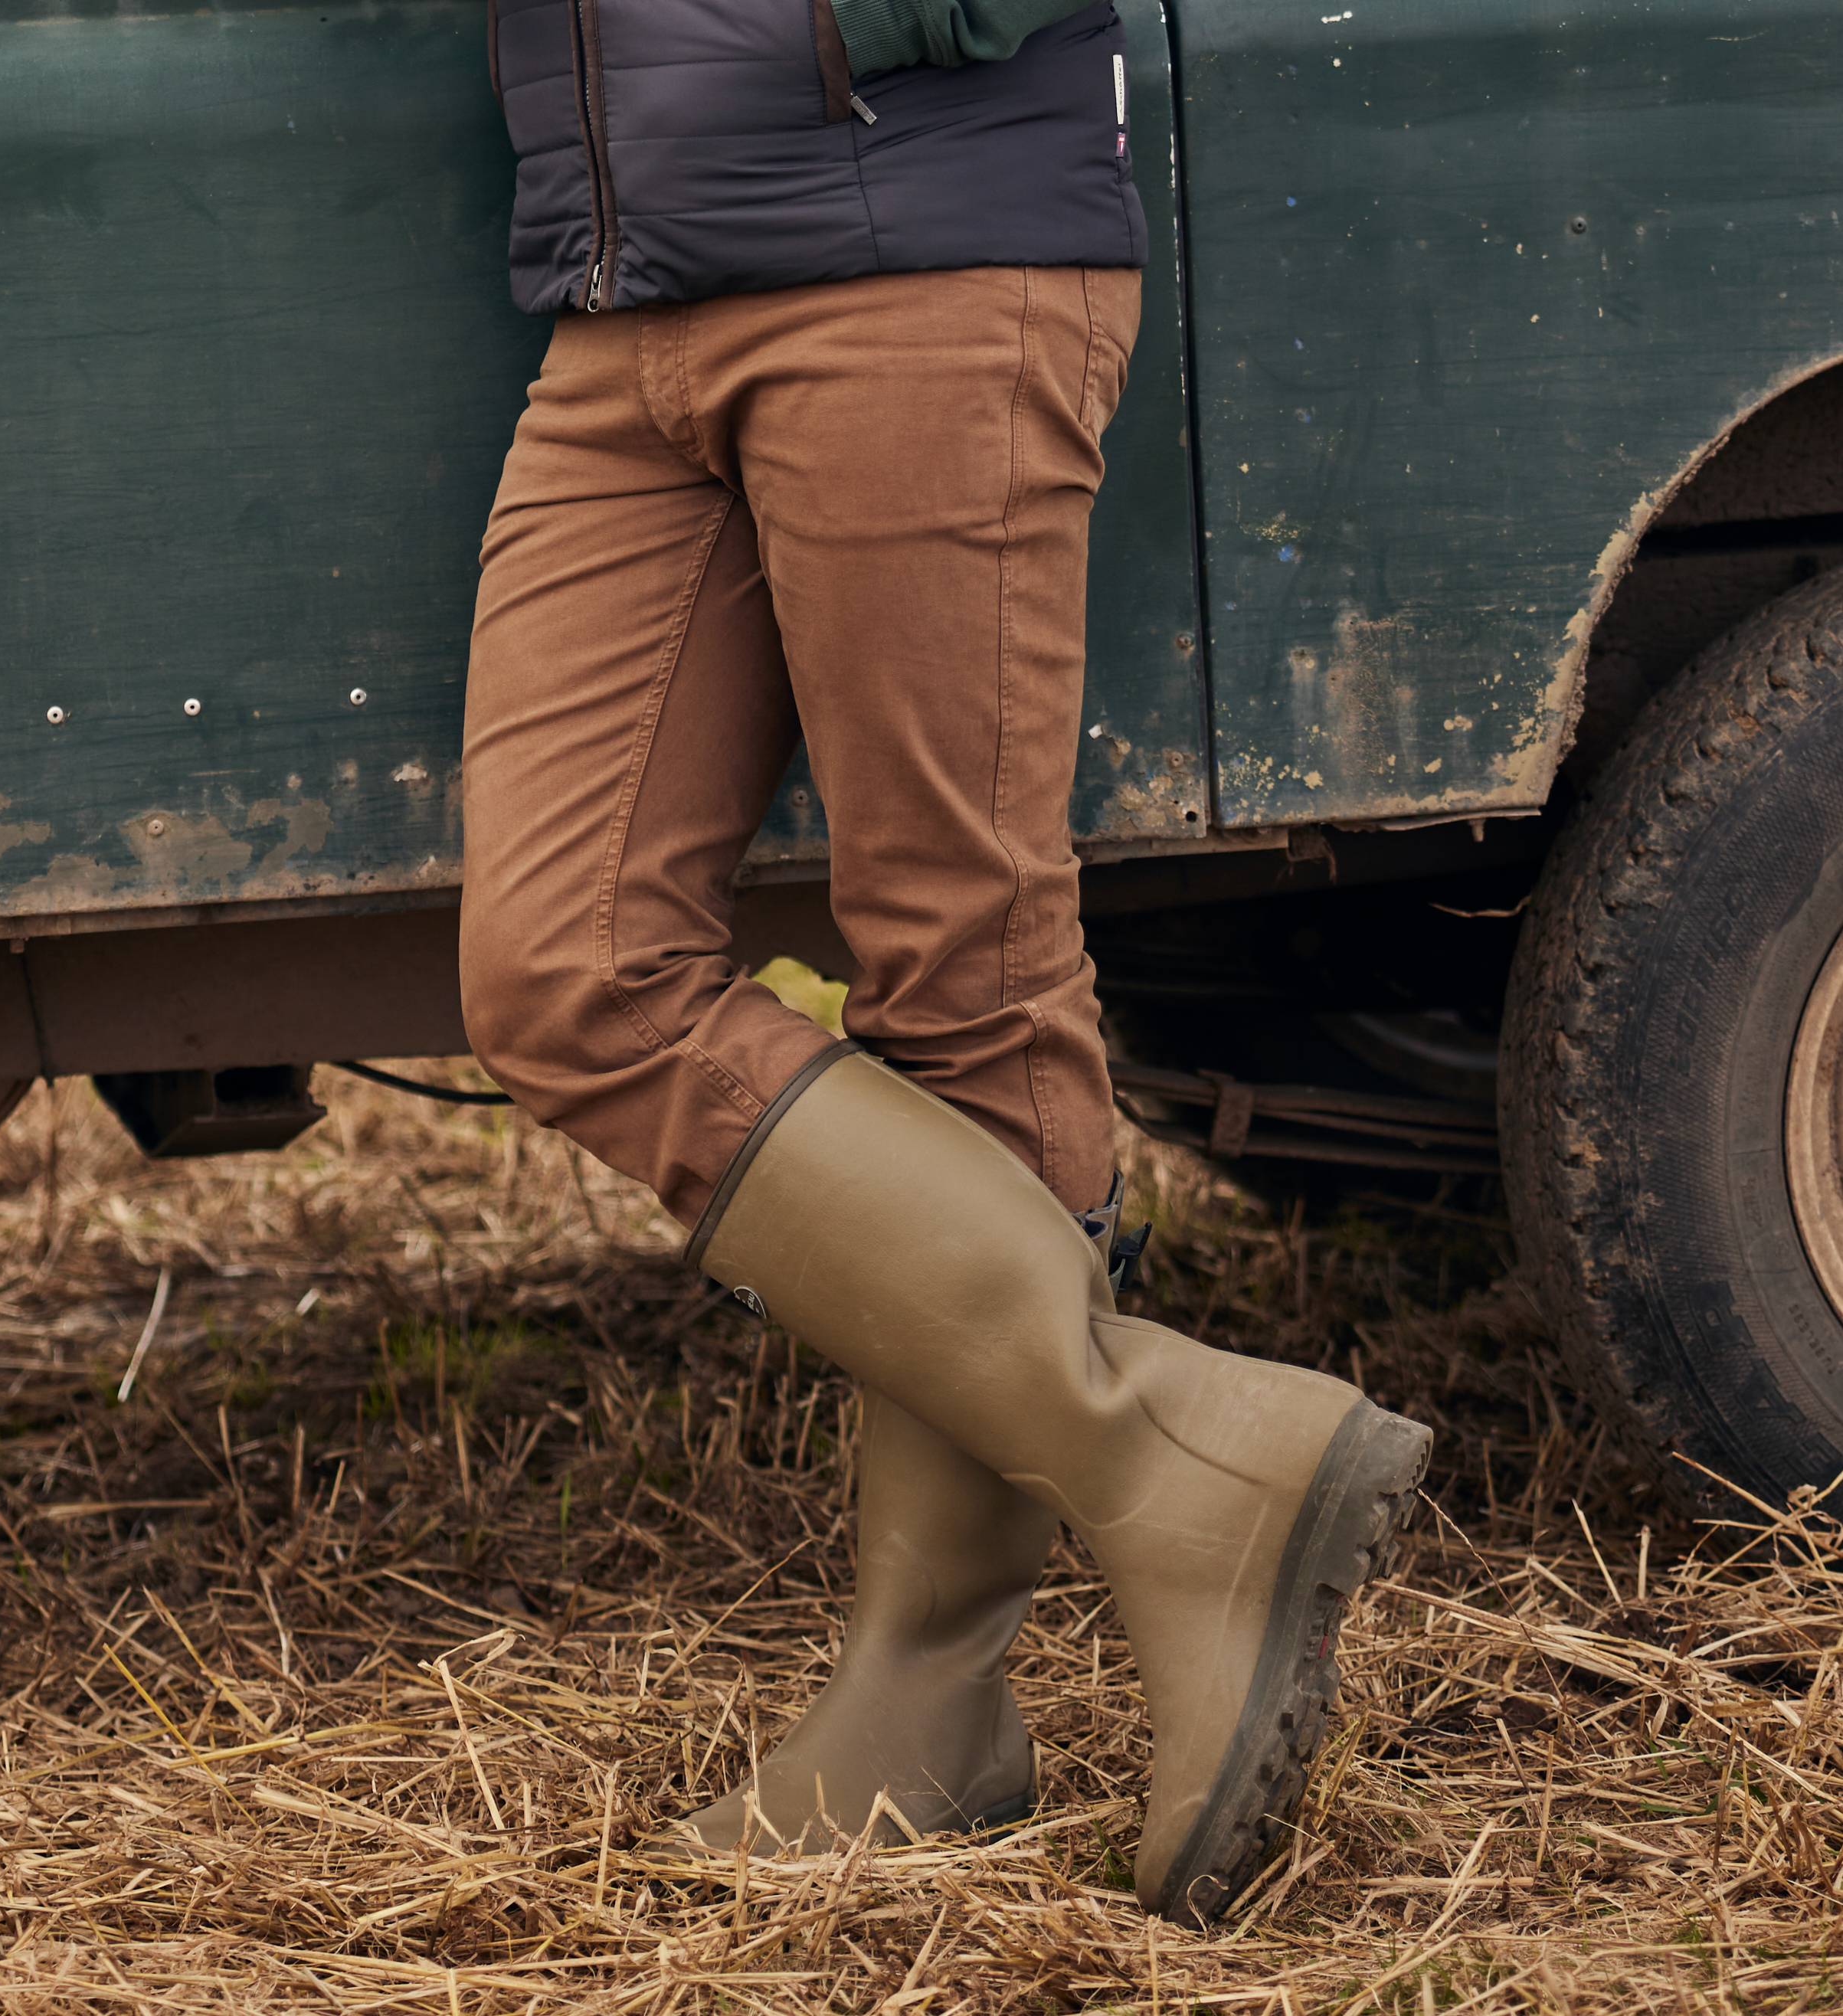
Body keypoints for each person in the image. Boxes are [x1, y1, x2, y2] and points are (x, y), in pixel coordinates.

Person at [460, 0, 1432, 1926]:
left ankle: (924, 1693)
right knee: (559, 962)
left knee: (960, 967)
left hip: (919, 234)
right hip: (625, 275)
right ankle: (1161, 1444)